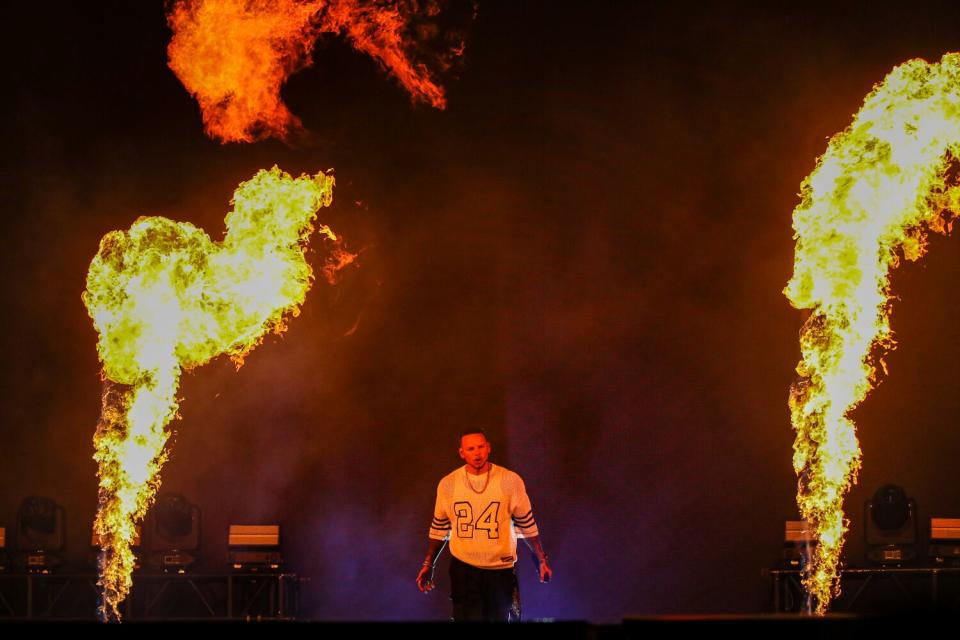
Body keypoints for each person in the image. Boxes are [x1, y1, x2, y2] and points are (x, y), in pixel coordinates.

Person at [415, 429, 552, 621]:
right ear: (462, 453)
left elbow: (527, 525)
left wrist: (541, 559)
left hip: (499, 569)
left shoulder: (509, 481)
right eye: (471, 449)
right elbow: (440, 528)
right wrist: (428, 563)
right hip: (464, 569)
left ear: (488, 448)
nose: (477, 453)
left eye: (480, 447)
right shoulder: (449, 483)